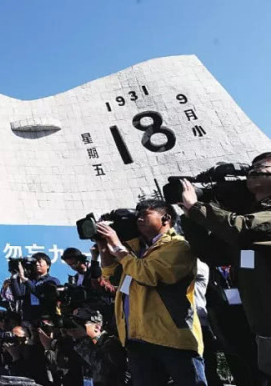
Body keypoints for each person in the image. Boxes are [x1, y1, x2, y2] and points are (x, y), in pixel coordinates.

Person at [180, 152, 271, 380]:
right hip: (262, 324)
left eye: (260, 168)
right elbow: (214, 255)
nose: (252, 173)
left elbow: (242, 228)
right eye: (250, 170)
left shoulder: (256, 220)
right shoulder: (248, 223)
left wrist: (197, 207)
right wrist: (190, 217)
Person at [96, 199, 206, 386]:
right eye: (137, 215)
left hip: (171, 337)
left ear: (166, 218)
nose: (139, 219)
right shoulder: (137, 250)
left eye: (145, 215)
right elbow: (112, 276)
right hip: (138, 338)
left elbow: (148, 274)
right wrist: (103, 246)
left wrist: (118, 247)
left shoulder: (177, 246)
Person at [66, 307, 126, 386]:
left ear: (97, 327)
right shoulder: (83, 345)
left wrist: (82, 340)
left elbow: (107, 368)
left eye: (82, 324)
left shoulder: (111, 343)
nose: (78, 328)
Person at [10, 252, 60, 324]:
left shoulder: (52, 280)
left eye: (39, 262)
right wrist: (14, 277)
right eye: (35, 263)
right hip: (28, 318)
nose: (37, 264)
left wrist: (25, 279)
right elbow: (19, 296)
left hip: (45, 319)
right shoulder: (30, 280)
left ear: (48, 265)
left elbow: (40, 294)